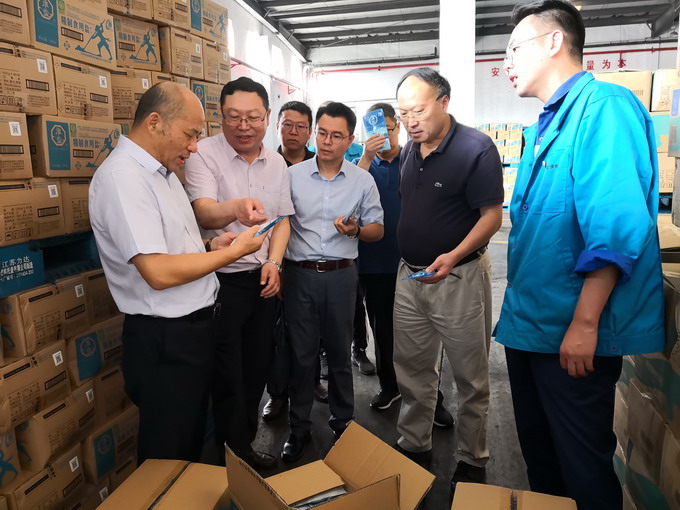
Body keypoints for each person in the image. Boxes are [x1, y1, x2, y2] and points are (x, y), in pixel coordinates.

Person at [497, 2, 665, 509]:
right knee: (542, 463)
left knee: (582, 471)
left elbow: (614, 226)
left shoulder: (604, 108)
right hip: (530, 326)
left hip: (570, 334)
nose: (506, 62)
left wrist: (586, 322)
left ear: (554, 42)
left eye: (514, 48)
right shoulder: (545, 126)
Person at [89, 82, 266, 464]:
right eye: (190, 134)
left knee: (192, 441)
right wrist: (232, 254)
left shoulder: (163, 173)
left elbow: (167, 246)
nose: (194, 146)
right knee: (168, 454)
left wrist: (209, 246)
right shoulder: (124, 178)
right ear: (155, 122)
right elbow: (157, 271)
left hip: (192, 330)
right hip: (165, 339)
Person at [392, 68, 503, 490]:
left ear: (444, 101)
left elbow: (491, 216)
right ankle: (414, 442)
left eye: (418, 111)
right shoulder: (409, 150)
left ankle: (472, 457)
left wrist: (453, 254)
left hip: (458, 278)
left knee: (470, 376)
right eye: (404, 113)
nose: (411, 121)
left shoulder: (476, 149)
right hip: (410, 277)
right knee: (412, 368)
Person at [184, 77, 295, 470]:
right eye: (234, 117)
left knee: (257, 367)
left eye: (252, 117)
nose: (243, 126)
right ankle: (227, 457)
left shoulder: (277, 162)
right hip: (220, 283)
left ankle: (243, 445)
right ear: (221, 116)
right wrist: (234, 208)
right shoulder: (202, 154)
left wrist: (274, 262)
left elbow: (282, 220)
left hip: (261, 281)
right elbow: (203, 211)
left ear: (267, 116)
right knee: (227, 372)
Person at [282, 102, 384, 462]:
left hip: (341, 276)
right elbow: (279, 224)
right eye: (322, 133)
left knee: (340, 354)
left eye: (336, 136)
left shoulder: (362, 180)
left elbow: (377, 229)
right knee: (301, 355)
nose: (326, 142)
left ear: (350, 139)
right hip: (299, 275)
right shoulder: (292, 177)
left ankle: (343, 423)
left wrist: (355, 230)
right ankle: (298, 427)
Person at [262, 101, 328, 422]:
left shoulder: (321, 165)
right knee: (276, 333)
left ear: (310, 131)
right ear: (277, 127)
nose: (293, 132)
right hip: (273, 261)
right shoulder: (267, 164)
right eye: (287, 124)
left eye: (301, 126)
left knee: (309, 330)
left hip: (309, 262)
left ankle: (312, 381)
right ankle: (277, 394)